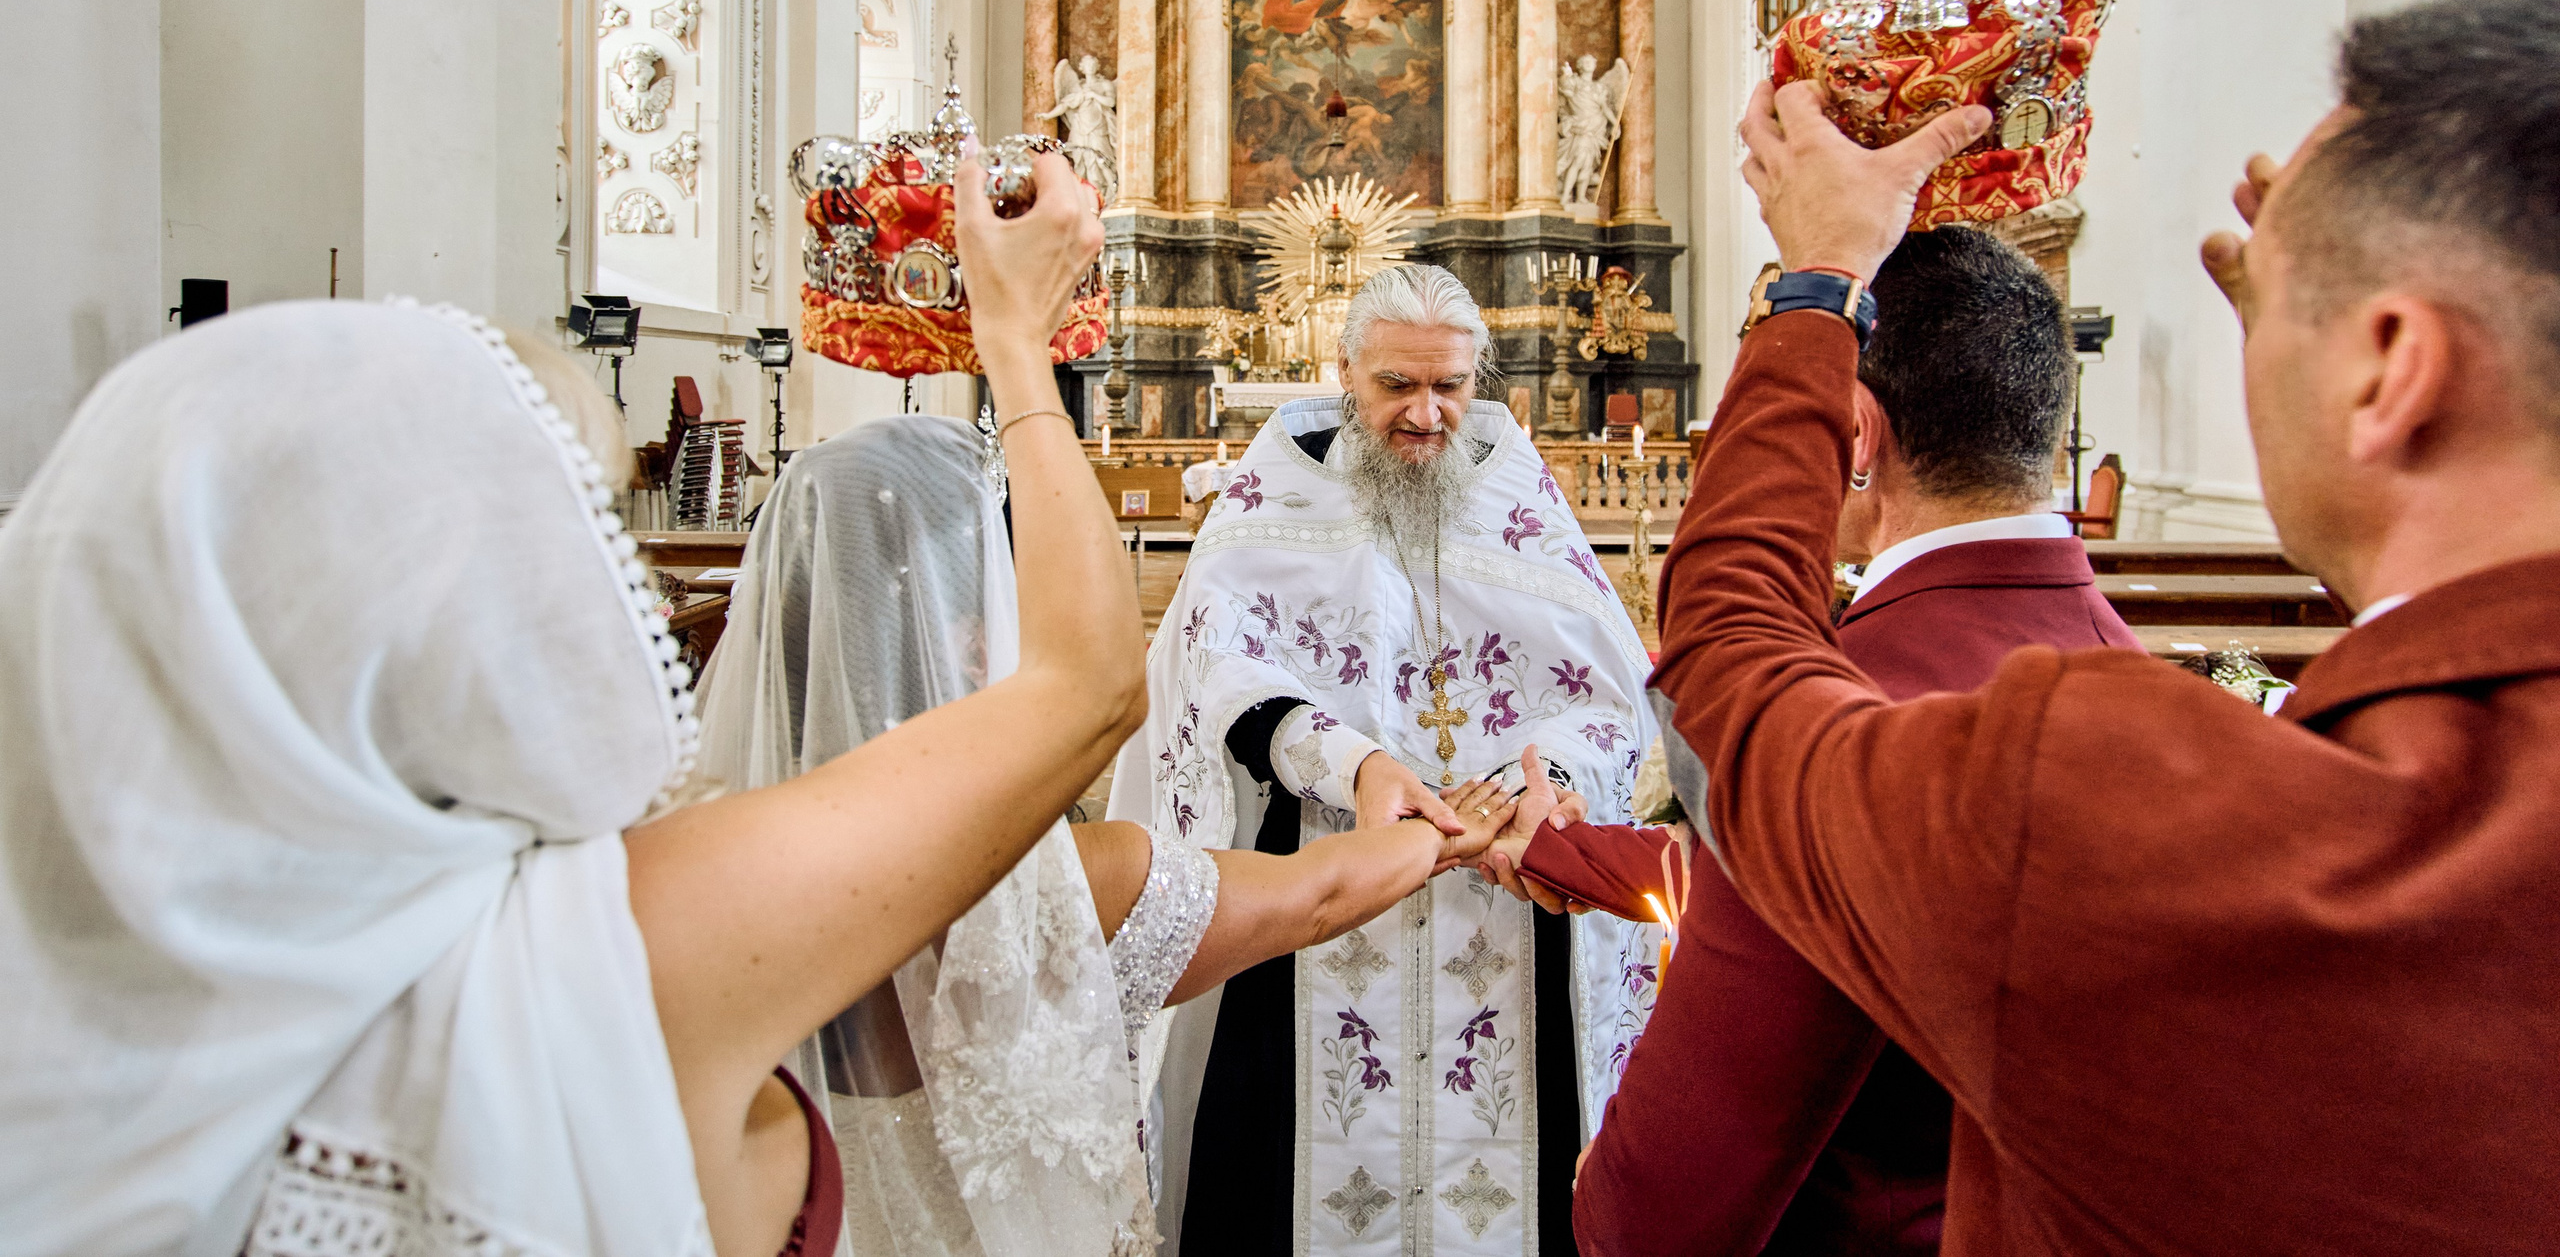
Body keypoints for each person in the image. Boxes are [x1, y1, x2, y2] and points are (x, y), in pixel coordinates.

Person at [0, 146, 1147, 1257]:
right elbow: (1084, 685)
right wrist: (1011, 342)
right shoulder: (607, 942)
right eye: (586, 524)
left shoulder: (47, 1013)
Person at [1650, 0, 2560, 1253]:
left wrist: (1818, 283)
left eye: (2274, 309)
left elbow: (1734, 662)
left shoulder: (2110, 801)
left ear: (2393, 367)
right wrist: (2370, 444)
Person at [692, 412, 1522, 1255]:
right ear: (976, 644)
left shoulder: (688, 881)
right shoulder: (1066, 889)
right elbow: (1317, 895)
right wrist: (1440, 833)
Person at [1483, 225, 2143, 1255]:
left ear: (1856, 435)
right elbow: (1843, 899)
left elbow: (1661, 1213)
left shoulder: (1850, 707)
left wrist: (1606, 1185)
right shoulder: (2129, 667)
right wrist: (1566, 847)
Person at [1115, 263, 1660, 1257]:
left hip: (1505, 899)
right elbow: (1210, 670)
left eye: (1450, 385)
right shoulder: (1272, 493)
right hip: (1319, 894)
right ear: (1343, 373)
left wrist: (1549, 786)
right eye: (1396, 385)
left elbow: (1610, 692)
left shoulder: (1521, 502)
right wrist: (1352, 763)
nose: (1427, 413)